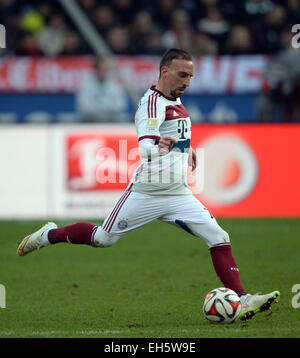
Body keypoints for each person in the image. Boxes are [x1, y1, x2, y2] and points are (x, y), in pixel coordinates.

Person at [18, 48, 280, 321]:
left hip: (178, 193)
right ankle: (49, 235)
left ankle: (244, 298)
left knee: (219, 237)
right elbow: (145, 149)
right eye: (182, 75)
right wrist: (160, 149)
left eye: (190, 76)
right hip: (148, 191)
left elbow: (171, 136)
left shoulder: (175, 101)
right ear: (164, 71)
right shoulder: (151, 104)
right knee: (103, 238)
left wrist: (183, 148)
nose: (187, 82)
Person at [76, 55, 130, 122]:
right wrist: (105, 108)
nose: (104, 71)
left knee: (122, 118)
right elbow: (84, 107)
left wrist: (100, 107)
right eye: (101, 68)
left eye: (106, 68)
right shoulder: (85, 84)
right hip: (91, 121)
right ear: (96, 68)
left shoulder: (115, 84)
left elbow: (120, 105)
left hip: (112, 121)